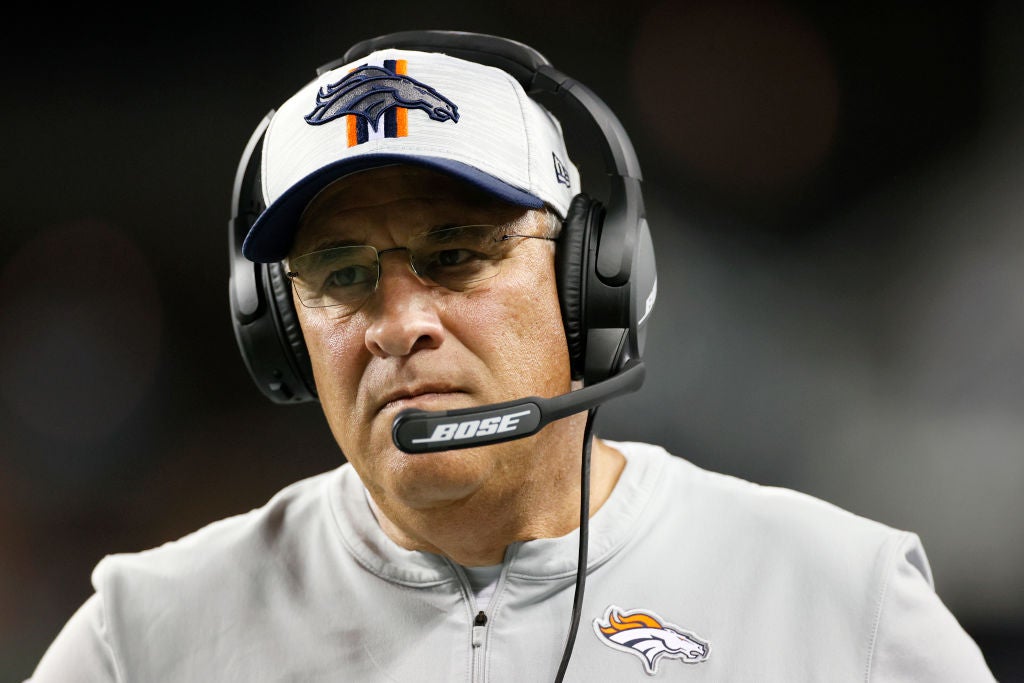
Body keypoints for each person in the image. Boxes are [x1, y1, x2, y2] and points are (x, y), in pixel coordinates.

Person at [28, 32, 995, 682]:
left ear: (596, 280)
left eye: (455, 256)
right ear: (277, 327)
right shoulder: (145, 634)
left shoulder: (839, 599)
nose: (398, 322)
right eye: (343, 273)